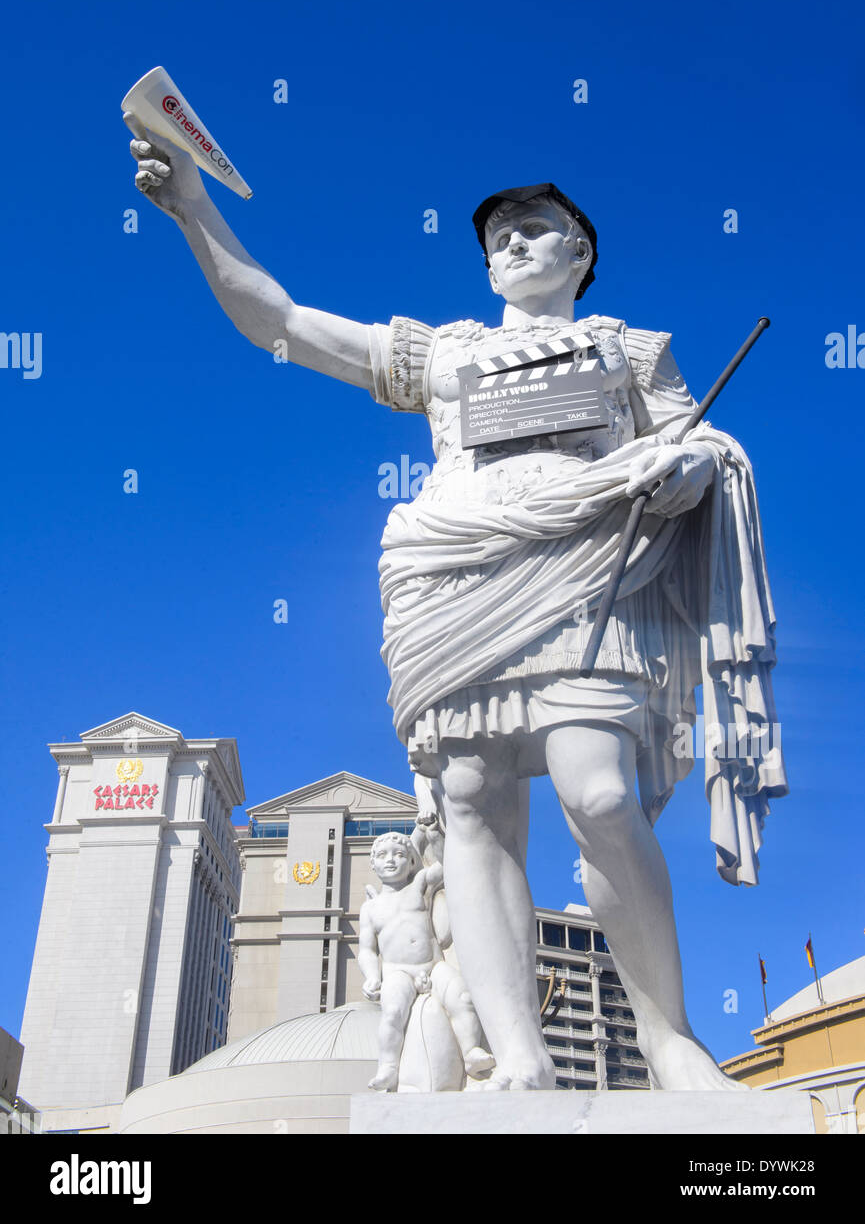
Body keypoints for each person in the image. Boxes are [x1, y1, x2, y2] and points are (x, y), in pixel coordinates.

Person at [127, 124, 787, 1091]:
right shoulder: (440, 354)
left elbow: (690, 449)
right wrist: (192, 204)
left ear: (580, 251)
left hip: (582, 574)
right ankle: (516, 1057)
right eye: (497, 239)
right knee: (473, 806)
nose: (511, 245)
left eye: (533, 229)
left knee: (597, 791)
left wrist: (689, 466)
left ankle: (668, 1039)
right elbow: (278, 319)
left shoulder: (632, 352)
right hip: (450, 582)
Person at [359, 818, 494, 1091]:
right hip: (397, 971)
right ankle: (389, 1066)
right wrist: (372, 977)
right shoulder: (371, 909)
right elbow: (367, 950)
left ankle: (470, 1052)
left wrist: (430, 832)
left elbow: (447, 865)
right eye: (382, 856)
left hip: (433, 965)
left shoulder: (419, 884)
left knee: (462, 998)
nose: (390, 861)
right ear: (372, 864)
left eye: (399, 855)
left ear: (412, 862)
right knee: (393, 1012)